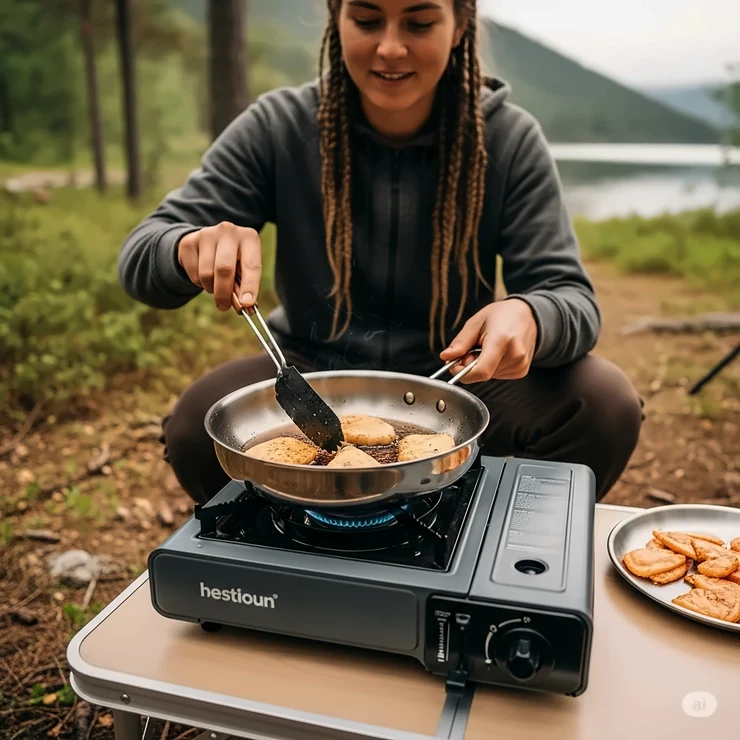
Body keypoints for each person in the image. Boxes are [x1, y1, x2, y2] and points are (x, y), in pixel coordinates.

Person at [118, 0, 643, 506]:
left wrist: (531, 314)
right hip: (309, 367)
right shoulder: (280, 127)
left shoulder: (506, 138)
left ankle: (494, 535)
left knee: (602, 404)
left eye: (418, 23)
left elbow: (571, 298)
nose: (390, 48)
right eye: (368, 19)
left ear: (459, 25)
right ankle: (298, 543)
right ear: (336, 17)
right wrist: (185, 247)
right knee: (196, 425)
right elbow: (143, 253)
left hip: (456, 380)